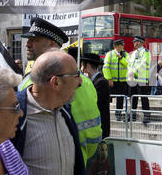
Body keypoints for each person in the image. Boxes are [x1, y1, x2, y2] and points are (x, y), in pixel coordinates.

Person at [12, 50, 86, 175]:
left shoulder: (65, 112)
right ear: (56, 82)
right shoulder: (15, 116)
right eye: (76, 75)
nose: (80, 81)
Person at [19, 17, 102, 164]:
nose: (28, 44)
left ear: (52, 44)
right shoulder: (87, 82)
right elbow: (94, 134)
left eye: (35, 39)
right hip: (80, 163)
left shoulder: (33, 83)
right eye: (29, 40)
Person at [81, 53, 110, 139]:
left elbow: (93, 102)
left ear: (88, 66)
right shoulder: (91, 81)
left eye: (83, 65)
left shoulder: (101, 82)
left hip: (100, 125)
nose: (81, 68)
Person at [103, 39, 129, 121]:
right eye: (121, 45)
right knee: (107, 98)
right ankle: (105, 113)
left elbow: (128, 64)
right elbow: (106, 68)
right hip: (112, 81)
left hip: (122, 81)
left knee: (120, 99)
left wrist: (121, 58)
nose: (123, 46)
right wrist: (109, 78)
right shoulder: (109, 54)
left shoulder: (125, 54)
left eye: (123, 45)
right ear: (116, 46)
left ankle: (118, 114)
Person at [128, 35, 151, 125]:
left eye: (135, 41)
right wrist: (130, 72)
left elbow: (144, 63)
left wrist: (133, 71)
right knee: (133, 97)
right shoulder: (133, 53)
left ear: (140, 42)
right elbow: (130, 64)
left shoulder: (146, 52)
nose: (133, 43)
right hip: (133, 79)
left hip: (141, 78)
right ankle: (132, 114)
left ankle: (146, 116)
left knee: (144, 97)